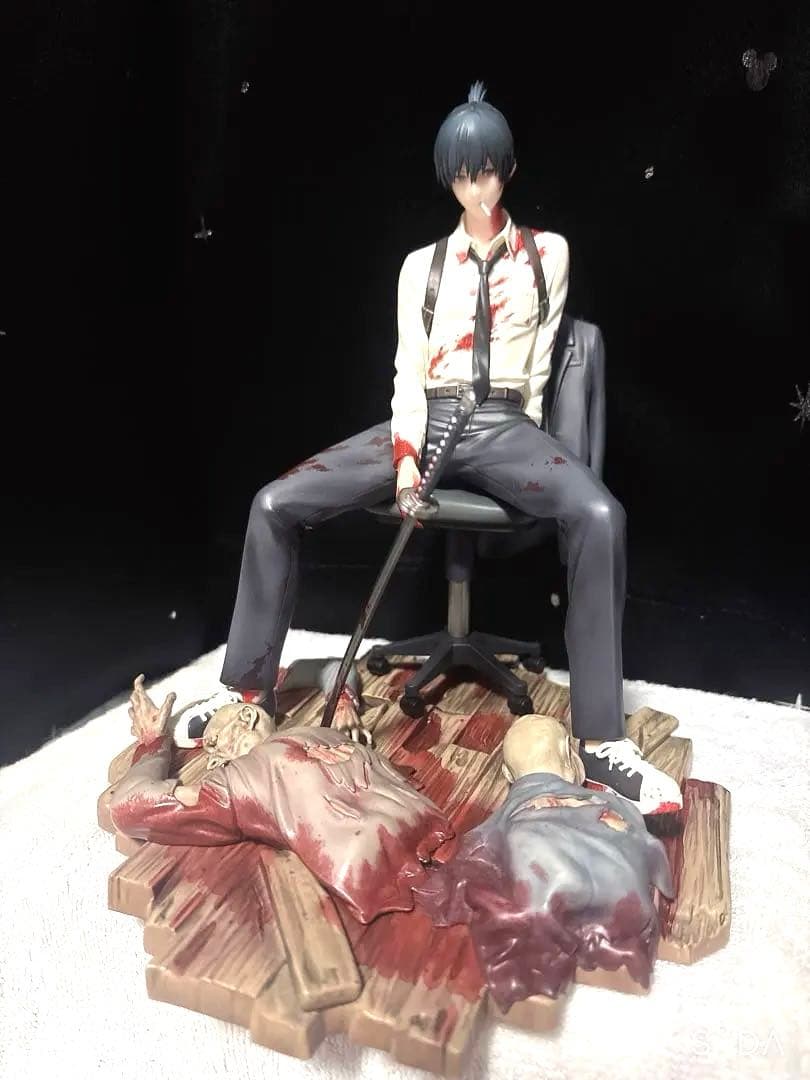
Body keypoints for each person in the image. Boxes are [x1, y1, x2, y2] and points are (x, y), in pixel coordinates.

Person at [199, 81, 682, 818]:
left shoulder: (547, 254)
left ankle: (600, 741)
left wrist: (535, 456)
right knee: (274, 503)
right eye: (461, 175)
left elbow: (540, 364)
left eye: (485, 171)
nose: (475, 188)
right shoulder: (421, 266)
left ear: (507, 169)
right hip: (429, 418)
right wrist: (404, 460)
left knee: (600, 515)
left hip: (503, 424)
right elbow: (408, 374)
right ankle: (245, 694)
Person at [109, 676, 456, 925]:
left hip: (370, 873)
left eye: (214, 743)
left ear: (246, 717)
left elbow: (129, 806)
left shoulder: (243, 778)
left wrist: (154, 744)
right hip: (431, 828)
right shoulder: (330, 737)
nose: (213, 759)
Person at [413, 714, 675, 1007]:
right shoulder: (618, 803)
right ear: (570, 757)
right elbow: (650, 850)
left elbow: (468, 864)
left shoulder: (503, 820)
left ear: (508, 775)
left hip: (557, 917)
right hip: (632, 907)